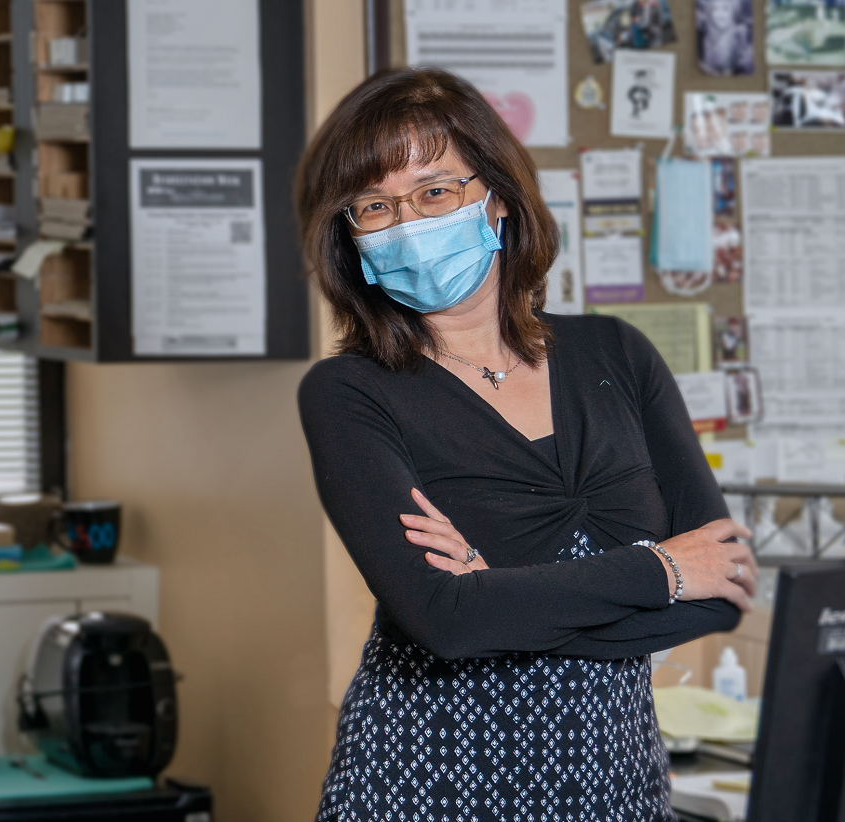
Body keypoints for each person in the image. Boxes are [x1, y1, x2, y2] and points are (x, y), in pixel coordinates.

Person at [295, 67, 759, 819]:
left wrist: (502, 604)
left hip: (614, 784)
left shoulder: (616, 354)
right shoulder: (350, 393)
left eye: (435, 191)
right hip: (426, 782)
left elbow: (725, 589)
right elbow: (445, 621)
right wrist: (664, 569)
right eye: (374, 206)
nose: (407, 223)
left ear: (499, 201)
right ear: (350, 236)